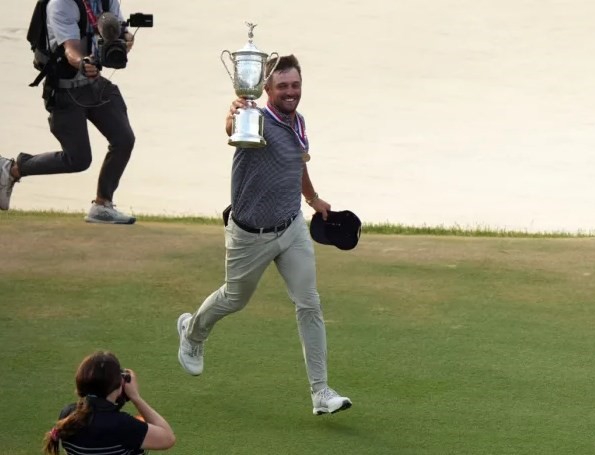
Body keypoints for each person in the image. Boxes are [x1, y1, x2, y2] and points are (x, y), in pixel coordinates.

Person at [176, 54, 353, 416]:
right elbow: (231, 127)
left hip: (291, 228)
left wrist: (312, 198)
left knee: (309, 303)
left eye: (295, 85)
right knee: (234, 299)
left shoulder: (298, 122)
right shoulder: (252, 120)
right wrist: (234, 111)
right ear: (267, 88)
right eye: (283, 86)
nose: (291, 92)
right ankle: (192, 335)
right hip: (249, 235)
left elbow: (297, 161)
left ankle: (320, 392)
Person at [0, 0, 137, 224]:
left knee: (124, 139)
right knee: (78, 159)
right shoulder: (61, 4)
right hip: (64, 91)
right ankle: (13, 168)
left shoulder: (107, 0)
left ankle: (102, 206)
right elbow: (71, 50)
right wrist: (82, 62)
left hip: (94, 84)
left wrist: (126, 39)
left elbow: (119, 30)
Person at [42, 350, 175, 454]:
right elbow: (168, 438)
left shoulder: (68, 414)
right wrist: (135, 397)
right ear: (118, 385)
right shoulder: (123, 425)